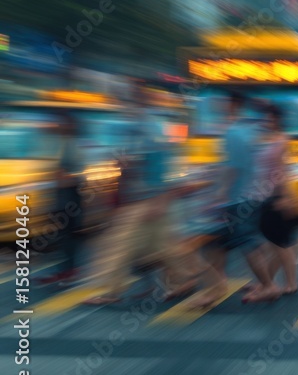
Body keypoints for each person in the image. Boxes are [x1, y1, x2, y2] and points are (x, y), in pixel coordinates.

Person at [85, 83, 194, 304]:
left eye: (128, 99)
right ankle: (184, 279)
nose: (124, 104)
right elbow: (131, 159)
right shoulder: (140, 124)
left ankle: (110, 292)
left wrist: (160, 199)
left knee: (118, 245)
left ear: (139, 100)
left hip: (144, 199)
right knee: (163, 246)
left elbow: (158, 165)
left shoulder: (147, 126)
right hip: (142, 199)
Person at [193, 91, 271, 308]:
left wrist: (219, 194)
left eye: (222, 102)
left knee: (246, 244)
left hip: (238, 198)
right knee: (218, 244)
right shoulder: (248, 130)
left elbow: (233, 168)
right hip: (248, 195)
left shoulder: (234, 132)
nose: (218, 105)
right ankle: (217, 287)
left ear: (233, 105)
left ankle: (267, 285)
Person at [244, 104, 298, 298]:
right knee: (277, 243)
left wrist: (285, 197)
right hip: (263, 196)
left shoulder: (282, 140)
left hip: (276, 197)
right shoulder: (266, 139)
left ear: (277, 119)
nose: (266, 122)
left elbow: (283, 171)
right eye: (264, 118)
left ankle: (291, 283)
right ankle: (266, 281)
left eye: (269, 118)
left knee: (281, 243)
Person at [38, 112, 85, 286]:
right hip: (62, 199)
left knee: (67, 237)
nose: (58, 125)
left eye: (62, 123)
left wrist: (62, 179)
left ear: (70, 126)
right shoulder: (62, 144)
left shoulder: (74, 146)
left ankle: (69, 271)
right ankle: (64, 270)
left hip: (70, 200)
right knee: (61, 236)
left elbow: (80, 175)